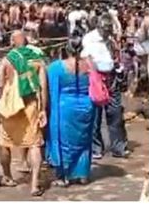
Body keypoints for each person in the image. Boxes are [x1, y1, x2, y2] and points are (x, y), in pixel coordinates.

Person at [0, 30, 48, 196]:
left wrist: (0, 105)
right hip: (30, 105)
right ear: (26, 42)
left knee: (5, 142)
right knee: (34, 144)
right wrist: (43, 110)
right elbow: (43, 88)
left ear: (12, 42)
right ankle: (34, 185)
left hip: (11, 107)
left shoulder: (6, 61)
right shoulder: (38, 60)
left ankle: (7, 176)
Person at [46, 35, 94, 186]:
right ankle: (82, 174)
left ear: (67, 48)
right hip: (87, 106)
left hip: (65, 107)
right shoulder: (89, 64)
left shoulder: (56, 67)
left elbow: (49, 90)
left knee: (65, 142)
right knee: (84, 140)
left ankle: (64, 176)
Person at [82, 15, 129, 159]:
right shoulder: (90, 39)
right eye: (106, 29)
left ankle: (118, 147)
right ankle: (96, 148)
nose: (108, 32)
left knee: (115, 113)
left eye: (110, 29)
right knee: (95, 115)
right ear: (99, 27)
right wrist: (95, 78)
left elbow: (115, 56)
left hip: (112, 77)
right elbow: (86, 58)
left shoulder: (110, 40)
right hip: (96, 78)